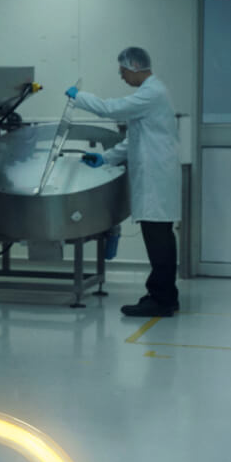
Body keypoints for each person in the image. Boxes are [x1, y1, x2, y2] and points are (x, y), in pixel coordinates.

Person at [66, 46, 183, 318]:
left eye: (122, 72)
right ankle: (164, 295)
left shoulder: (151, 93)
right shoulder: (150, 94)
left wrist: (78, 97)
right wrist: (106, 158)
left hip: (156, 178)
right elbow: (134, 139)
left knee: (159, 239)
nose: (122, 77)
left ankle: (162, 299)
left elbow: (111, 109)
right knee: (158, 236)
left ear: (134, 66)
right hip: (155, 176)